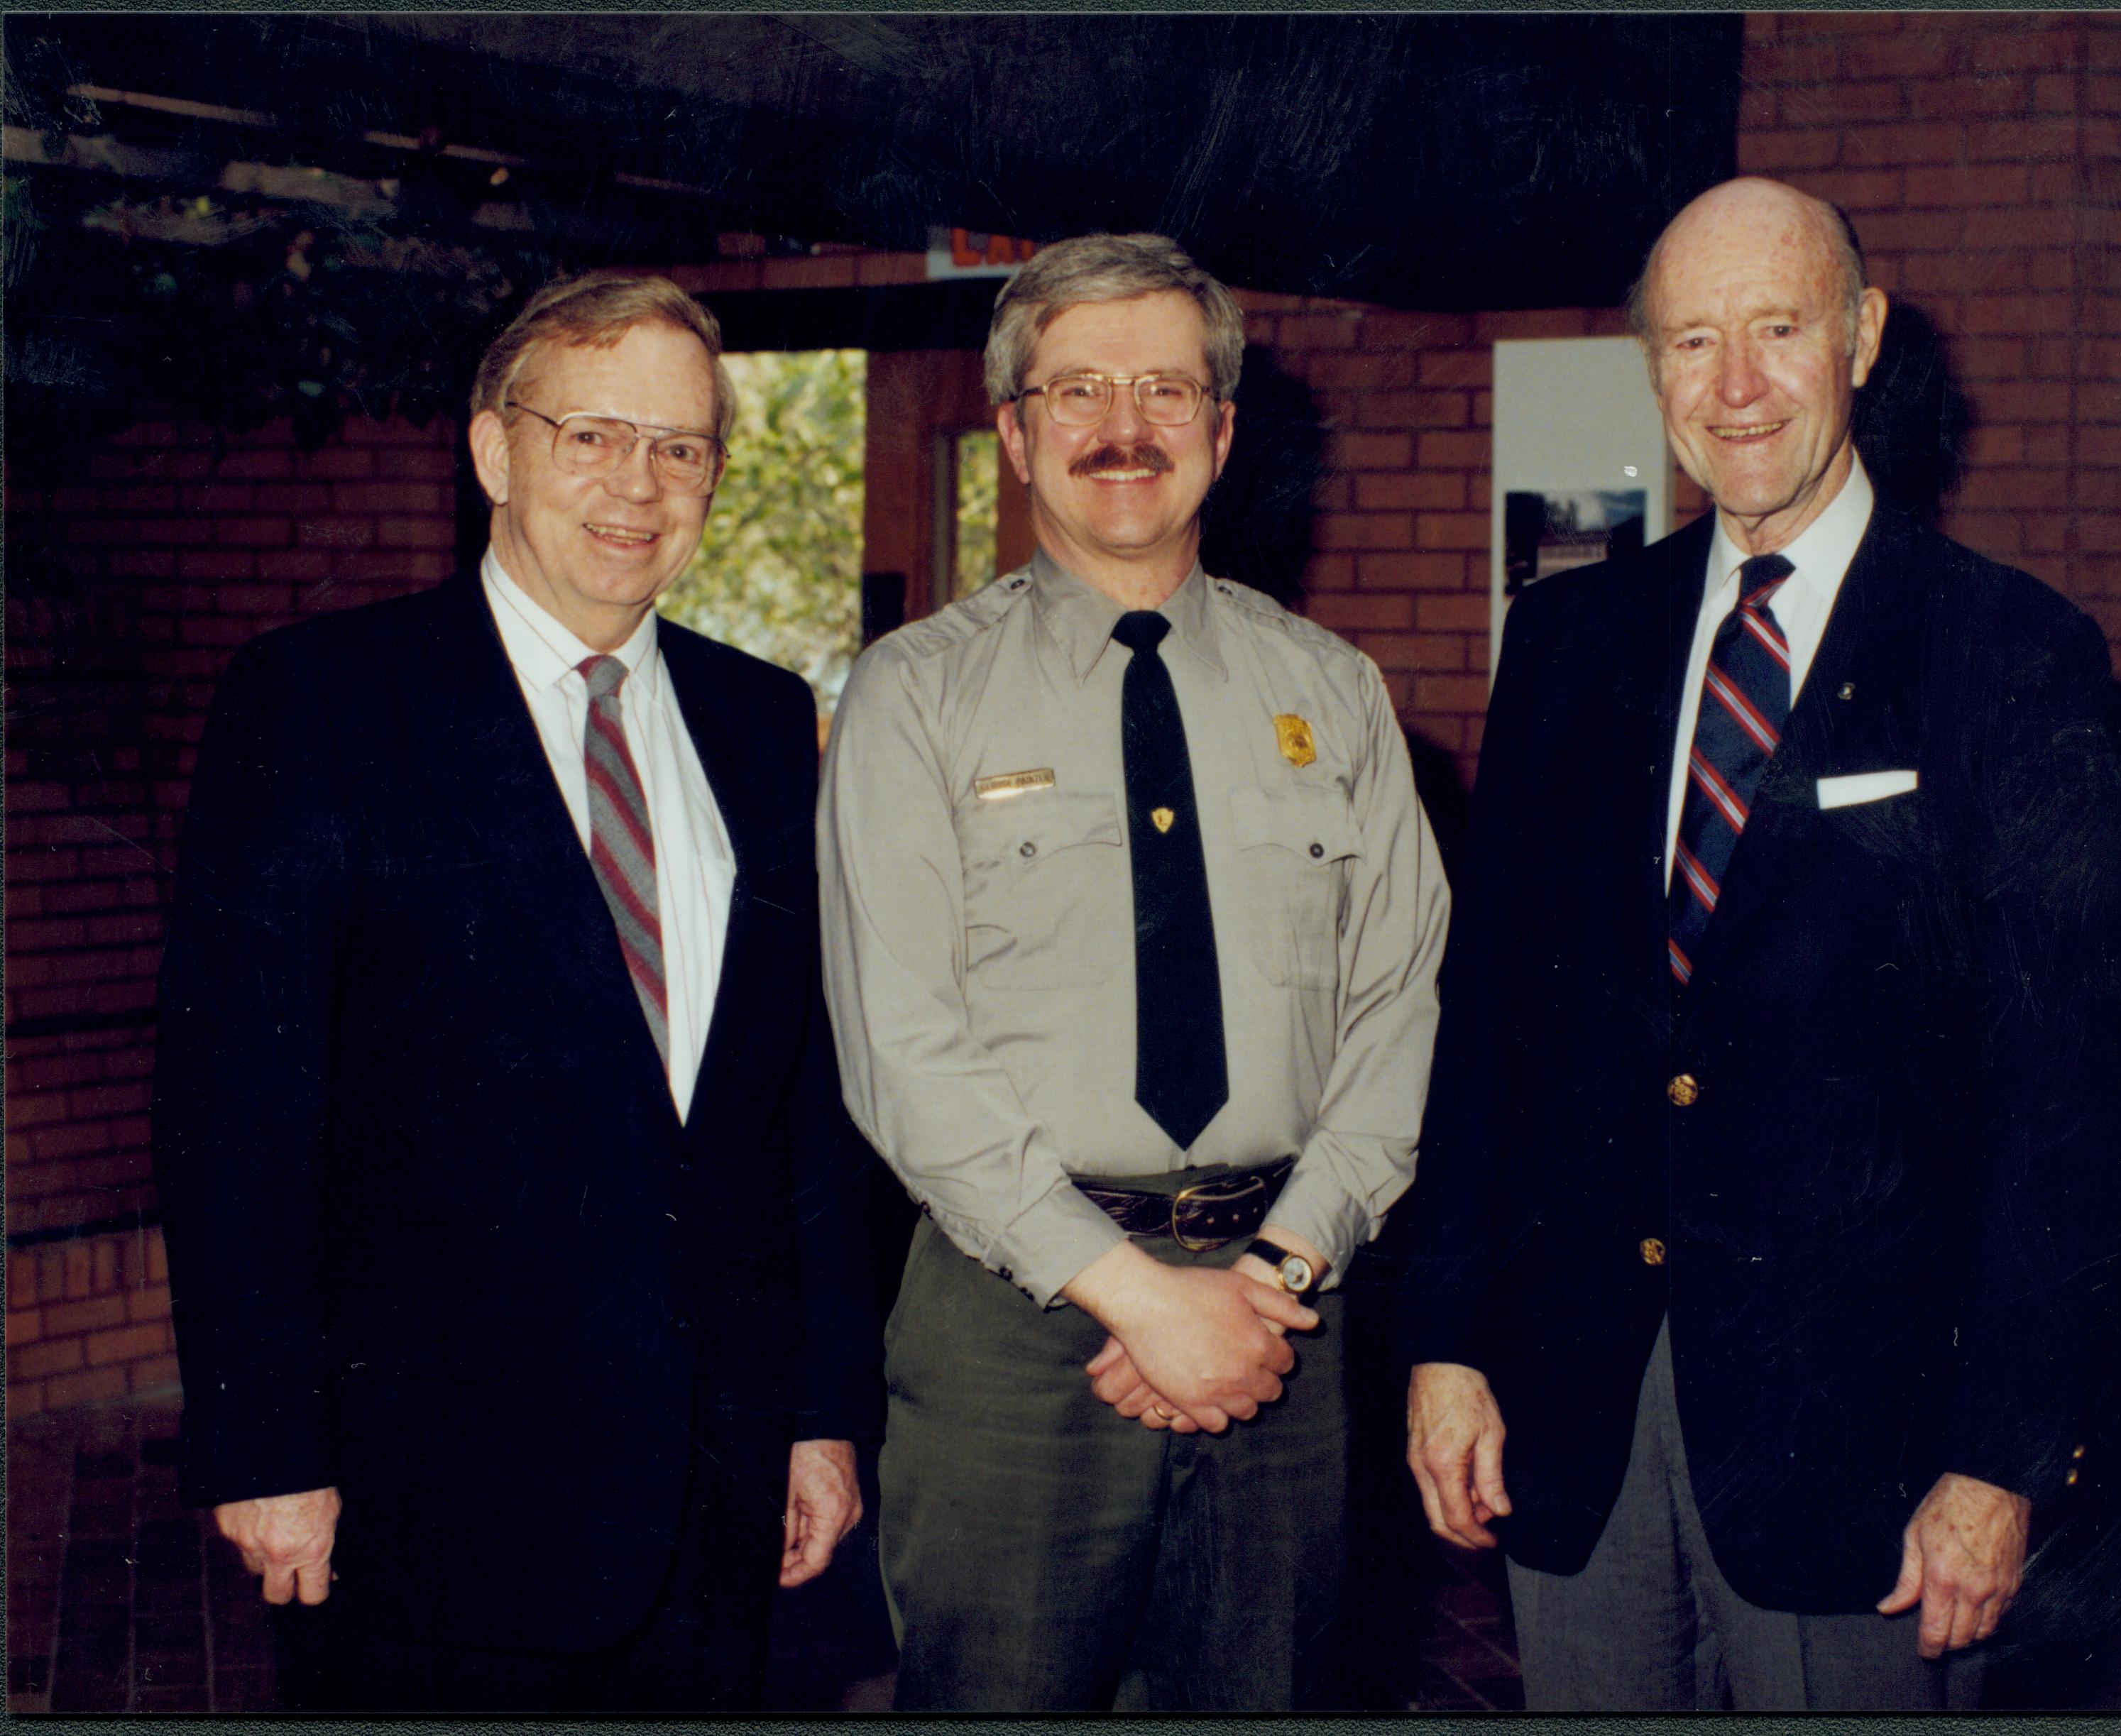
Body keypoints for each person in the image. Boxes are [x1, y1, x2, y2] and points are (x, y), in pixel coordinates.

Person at [1388, 177, 2121, 1710]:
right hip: (1577, 1400)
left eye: (1777, 330)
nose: (1731, 389)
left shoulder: (2014, 655)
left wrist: (1997, 1459)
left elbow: (2068, 1106)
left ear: (1860, 338)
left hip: (1863, 1434)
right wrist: (1447, 1336)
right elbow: (1486, 1039)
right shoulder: (1566, 644)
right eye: (1689, 342)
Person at [153, 271, 887, 1712]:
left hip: (711, 1485)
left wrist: (820, 1411)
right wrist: (263, 1444)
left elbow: (791, 1107)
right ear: (494, 450)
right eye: (592, 436)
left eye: (682, 448)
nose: (639, 484)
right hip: (426, 1495)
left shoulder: (756, 718)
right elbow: (233, 1104)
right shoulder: (321, 703)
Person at [818, 231, 1449, 1711]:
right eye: (1079, 388)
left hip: (1283, 1314)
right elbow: (898, 1045)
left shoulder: (1334, 690)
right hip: (1011, 1318)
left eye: (1166, 388)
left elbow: (1402, 1007)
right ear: (1017, 429)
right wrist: (1139, 1299)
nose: (1124, 424)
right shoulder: (915, 696)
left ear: (1222, 431)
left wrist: (1270, 1274)